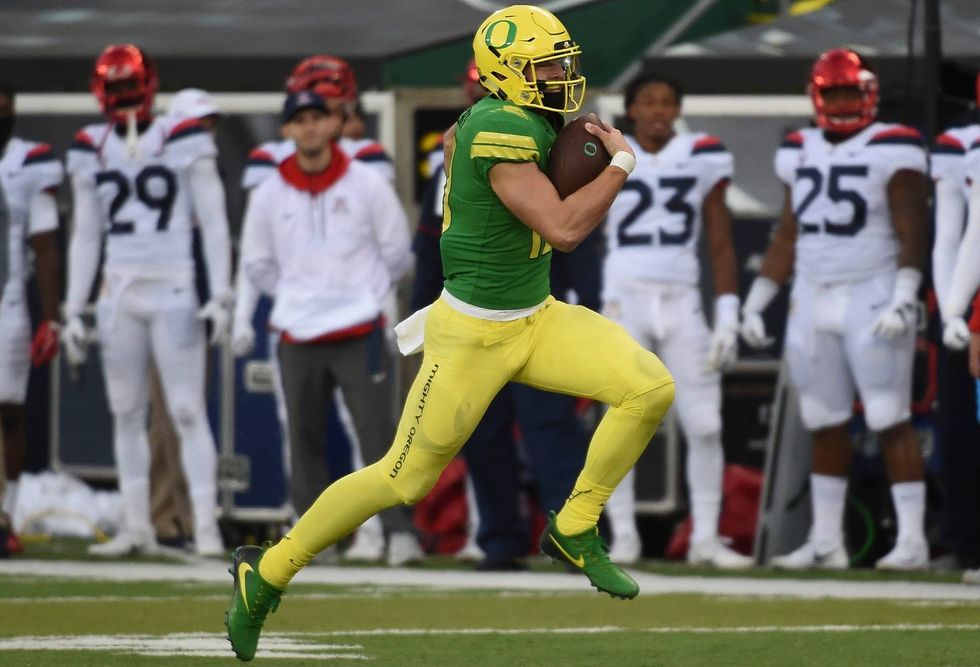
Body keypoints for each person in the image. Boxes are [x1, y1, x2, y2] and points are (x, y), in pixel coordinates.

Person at [224, 5, 675, 661]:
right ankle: (265, 572)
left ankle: (576, 523)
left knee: (649, 387)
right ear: (506, 72)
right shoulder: (496, 125)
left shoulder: (534, 117)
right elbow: (564, 227)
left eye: (561, 60)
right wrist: (620, 165)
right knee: (402, 477)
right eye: (546, 64)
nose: (561, 74)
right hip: (472, 335)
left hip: (536, 316)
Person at [741, 48, 930, 571]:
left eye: (852, 93)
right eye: (835, 93)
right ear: (817, 95)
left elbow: (914, 228)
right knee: (823, 420)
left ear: (869, 94)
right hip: (812, 291)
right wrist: (758, 303)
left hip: (872, 289)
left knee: (891, 418)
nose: (844, 103)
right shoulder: (798, 147)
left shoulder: (894, 146)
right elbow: (787, 233)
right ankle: (828, 542)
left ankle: (912, 540)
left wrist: (903, 294)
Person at [231, 55, 420, 565]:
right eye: (299, 119)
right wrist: (299, 293)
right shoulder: (270, 192)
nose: (309, 127)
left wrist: (360, 293)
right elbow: (257, 262)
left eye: (318, 117)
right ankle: (319, 542)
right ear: (287, 129)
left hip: (358, 327)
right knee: (304, 440)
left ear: (334, 122)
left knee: (379, 437)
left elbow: (398, 251)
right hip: (297, 331)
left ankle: (398, 534)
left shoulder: (365, 182)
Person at [411, 60, 593, 571]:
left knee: (550, 428)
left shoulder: (541, 141)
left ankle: (572, 537)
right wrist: (424, 311)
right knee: (481, 433)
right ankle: (497, 538)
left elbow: (572, 230)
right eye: (477, 84)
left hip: (535, 309)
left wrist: (582, 296)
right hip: (473, 316)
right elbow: (433, 244)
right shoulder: (453, 149)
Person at [62, 44, 231, 557]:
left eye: (126, 86)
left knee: (184, 409)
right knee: (126, 412)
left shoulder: (181, 136)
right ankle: (138, 524)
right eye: (114, 89)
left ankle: (205, 525)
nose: (123, 98)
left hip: (175, 282)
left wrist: (220, 291)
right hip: (119, 289)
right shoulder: (91, 145)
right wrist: (73, 306)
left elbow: (215, 218)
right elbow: (86, 234)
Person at [601, 72, 752, 569]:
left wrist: (728, 309)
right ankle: (622, 534)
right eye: (650, 102)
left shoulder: (702, 153)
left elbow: (720, 236)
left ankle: (705, 537)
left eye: (668, 102)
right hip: (624, 295)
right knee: (621, 417)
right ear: (632, 109)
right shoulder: (604, 150)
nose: (659, 111)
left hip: (683, 294)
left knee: (704, 422)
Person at [145, 88, 225, 549]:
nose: (207, 134)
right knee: (161, 413)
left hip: (191, 306)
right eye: (198, 125)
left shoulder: (206, 174)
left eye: (210, 124)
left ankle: (185, 513)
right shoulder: (159, 181)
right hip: (160, 301)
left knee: (185, 411)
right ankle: (166, 514)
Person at [0, 83, 63, 553]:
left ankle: (8, 514)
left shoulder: (29, 163)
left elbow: (45, 245)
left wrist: (51, 316)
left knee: (9, 410)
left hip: (8, 300)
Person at [929, 104, 980, 576]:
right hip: (971, 302)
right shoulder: (965, 146)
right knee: (966, 431)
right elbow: (964, 237)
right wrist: (955, 311)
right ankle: (966, 539)